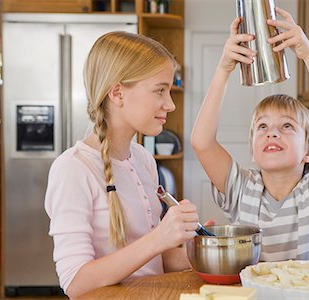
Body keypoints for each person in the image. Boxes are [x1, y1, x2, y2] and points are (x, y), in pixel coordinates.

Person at [191, 7, 309, 263]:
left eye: (287, 126)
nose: (272, 134)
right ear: (253, 151)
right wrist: (224, 69)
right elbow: (202, 142)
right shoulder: (242, 189)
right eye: (262, 127)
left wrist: (308, 54)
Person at [45, 31, 201, 298]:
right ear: (117, 93)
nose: (170, 104)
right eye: (160, 90)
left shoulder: (142, 159)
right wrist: (159, 237)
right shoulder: (73, 169)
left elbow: (152, 263)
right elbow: (76, 282)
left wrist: (199, 250)